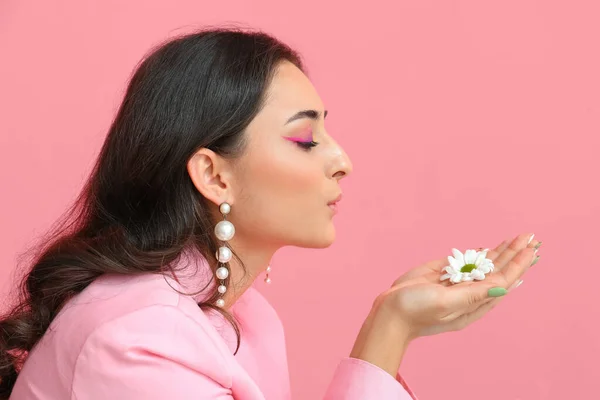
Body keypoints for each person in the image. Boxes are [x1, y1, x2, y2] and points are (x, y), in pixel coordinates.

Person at [0, 27, 541, 399]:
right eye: (305, 137)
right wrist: (387, 331)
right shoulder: (138, 340)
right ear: (213, 175)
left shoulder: (242, 315)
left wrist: (392, 321)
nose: (342, 161)